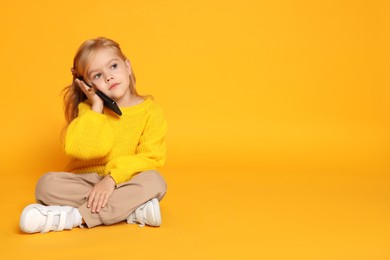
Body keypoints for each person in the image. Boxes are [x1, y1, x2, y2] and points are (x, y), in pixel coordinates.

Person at [19, 37, 167, 234]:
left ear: (128, 67)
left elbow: (151, 157)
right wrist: (97, 107)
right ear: (87, 85)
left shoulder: (151, 111)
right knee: (45, 185)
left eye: (113, 66)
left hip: (122, 182)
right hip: (85, 183)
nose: (108, 77)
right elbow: (81, 150)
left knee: (155, 181)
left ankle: (73, 217)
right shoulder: (89, 110)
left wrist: (112, 179)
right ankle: (128, 210)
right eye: (97, 75)